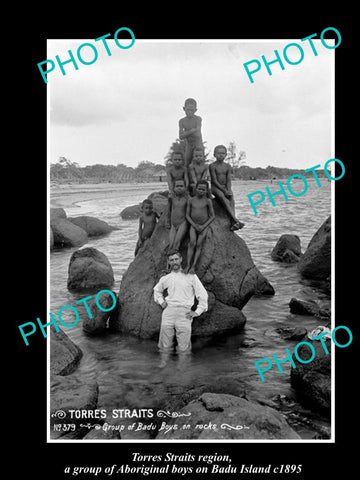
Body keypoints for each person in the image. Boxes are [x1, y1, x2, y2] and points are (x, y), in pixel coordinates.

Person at [153, 250, 208, 366]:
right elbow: (156, 290)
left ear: (181, 259)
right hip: (169, 311)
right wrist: (162, 302)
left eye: (176, 259)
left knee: (184, 345)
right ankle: (163, 364)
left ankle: (182, 368)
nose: (174, 262)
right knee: (164, 343)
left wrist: (197, 311)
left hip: (185, 312)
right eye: (171, 260)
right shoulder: (166, 278)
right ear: (168, 262)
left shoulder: (191, 276)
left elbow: (202, 294)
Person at [209, 145, 244, 231]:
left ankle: (233, 222)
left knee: (231, 198)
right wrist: (224, 190)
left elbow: (228, 180)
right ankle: (235, 220)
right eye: (218, 153)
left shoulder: (228, 166)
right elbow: (214, 180)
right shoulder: (212, 166)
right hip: (215, 187)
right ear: (214, 155)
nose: (220, 155)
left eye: (222, 153)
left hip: (225, 187)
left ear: (225, 155)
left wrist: (228, 190)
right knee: (222, 197)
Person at [185, 180, 215, 273]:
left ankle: (193, 266)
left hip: (204, 226)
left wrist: (204, 226)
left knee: (199, 244)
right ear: (195, 189)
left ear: (206, 190)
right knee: (192, 243)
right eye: (199, 189)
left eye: (203, 189)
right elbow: (187, 215)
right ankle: (188, 265)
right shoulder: (191, 200)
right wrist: (193, 225)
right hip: (193, 226)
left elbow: (212, 216)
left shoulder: (207, 201)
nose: (201, 191)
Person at [178, 98, 203, 168]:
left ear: (195, 110)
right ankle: (186, 178)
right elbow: (180, 136)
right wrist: (192, 131)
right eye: (188, 110)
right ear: (184, 109)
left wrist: (186, 133)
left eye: (192, 110)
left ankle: (200, 178)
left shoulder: (198, 119)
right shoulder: (182, 121)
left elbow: (197, 134)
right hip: (189, 144)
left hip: (198, 143)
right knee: (186, 162)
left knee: (199, 162)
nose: (190, 112)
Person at [166, 179, 189, 252]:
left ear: (185, 187)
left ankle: (176, 259)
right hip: (173, 224)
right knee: (171, 244)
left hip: (183, 223)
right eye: (177, 186)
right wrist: (167, 221)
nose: (179, 188)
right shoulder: (172, 198)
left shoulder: (188, 199)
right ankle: (170, 261)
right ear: (174, 188)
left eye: (181, 186)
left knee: (176, 243)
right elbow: (169, 210)